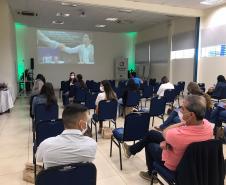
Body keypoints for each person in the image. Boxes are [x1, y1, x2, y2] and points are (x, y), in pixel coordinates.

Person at [123, 95, 213, 181]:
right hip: (192, 163)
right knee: (151, 134)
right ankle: (131, 150)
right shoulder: (208, 126)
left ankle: (151, 174)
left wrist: (182, 124)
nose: (180, 111)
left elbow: (165, 131)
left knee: (150, 144)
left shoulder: (175, 135)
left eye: (183, 108)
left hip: (175, 165)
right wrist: (170, 140)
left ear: (191, 115)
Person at [36, 103, 97, 169]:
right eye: (86, 122)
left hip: (54, 179)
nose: (87, 125)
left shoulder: (46, 145)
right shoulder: (91, 144)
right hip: (80, 179)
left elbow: (38, 158)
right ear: (81, 124)